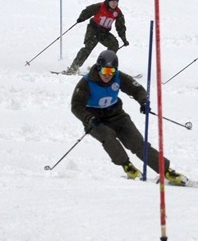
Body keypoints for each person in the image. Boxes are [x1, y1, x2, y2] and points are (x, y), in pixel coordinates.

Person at [70, 49, 188, 184]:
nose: (108, 75)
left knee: (137, 142)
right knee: (108, 136)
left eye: (112, 71)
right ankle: (128, 166)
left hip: (116, 115)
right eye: (105, 71)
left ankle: (166, 171)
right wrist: (88, 118)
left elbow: (137, 89)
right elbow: (76, 106)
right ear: (98, 68)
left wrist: (143, 101)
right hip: (95, 120)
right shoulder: (86, 83)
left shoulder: (119, 77)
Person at [62, 0, 128, 75]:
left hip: (104, 33)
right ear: (109, 0)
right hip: (93, 29)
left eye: (116, 1)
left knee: (114, 44)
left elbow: (121, 27)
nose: (114, 3)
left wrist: (124, 39)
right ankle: (74, 67)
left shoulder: (117, 12)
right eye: (112, 1)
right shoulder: (100, 6)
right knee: (88, 47)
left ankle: (102, 66)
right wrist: (81, 18)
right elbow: (88, 10)